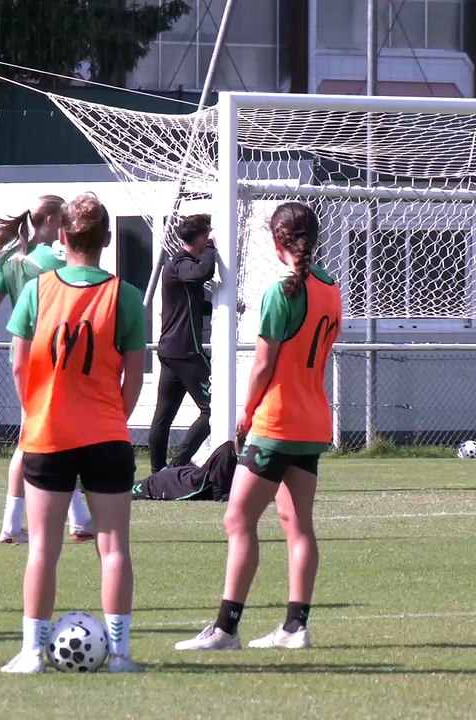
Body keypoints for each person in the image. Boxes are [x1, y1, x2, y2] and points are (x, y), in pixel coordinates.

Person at [176, 201, 340, 651]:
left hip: (277, 420)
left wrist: (246, 414)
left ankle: (226, 629)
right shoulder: (331, 288)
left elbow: (264, 365)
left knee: (238, 518)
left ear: (275, 240)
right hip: (312, 420)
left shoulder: (281, 292)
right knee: (297, 524)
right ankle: (295, 627)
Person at [0, 193, 145, 674]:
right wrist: (111, 418)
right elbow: (135, 377)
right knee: (114, 547)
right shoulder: (124, 294)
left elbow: (20, 365)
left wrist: (38, 409)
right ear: (107, 240)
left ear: (62, 238)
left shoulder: (37, 290)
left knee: (42, 547)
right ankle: (120, 655)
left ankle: (30, 653)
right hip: (106, 435)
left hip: (49, 432)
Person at [0, 196, 95, 545]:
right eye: (63, 218)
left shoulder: (10, 260)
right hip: (54, 358)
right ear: (51, 219)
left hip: (25, 359)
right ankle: (59, 519)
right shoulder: (53, 259)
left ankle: (66, 519)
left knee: (44, 437)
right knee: (59, 437)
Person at [149, 213, 216, 473]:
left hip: (171, 351)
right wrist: (212, 247)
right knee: (214, 409)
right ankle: (177, 465)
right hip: (186, 352)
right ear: (201, 237)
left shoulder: (180, 265)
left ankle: (157, 473)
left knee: (164, 416)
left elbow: (192, 303)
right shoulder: (181, 263)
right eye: (206, 237)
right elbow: (203, 271)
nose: (208, 241)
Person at [132, 440, 237, 501]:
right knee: (125, 491)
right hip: (165, 482)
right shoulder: (227, 453)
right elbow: (219, 496)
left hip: (178, 475)